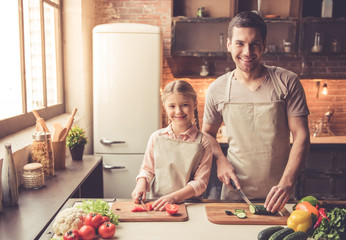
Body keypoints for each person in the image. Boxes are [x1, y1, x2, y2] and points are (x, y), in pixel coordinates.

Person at [202, 11, 310, 212]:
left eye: (254, 44)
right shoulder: (217, 88)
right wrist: (221, 160)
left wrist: (286, 183)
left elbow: (301, 135)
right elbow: (207, 134)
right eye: (240, 43)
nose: (247, 51)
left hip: (280, 193)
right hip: (235, 193)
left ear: (264, 45)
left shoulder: (287, 81)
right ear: (229, 45)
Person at [132, 80, 212, 210]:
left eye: (185, 105)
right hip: (157, 204)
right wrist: (141, 184)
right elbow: (147, 170)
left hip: (190, 205)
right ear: (165, 106)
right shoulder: (156, 137)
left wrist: (173, 198)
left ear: (195, 104)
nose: (178, 111)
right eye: (172, 106)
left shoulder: (204, 142)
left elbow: (200, 183)